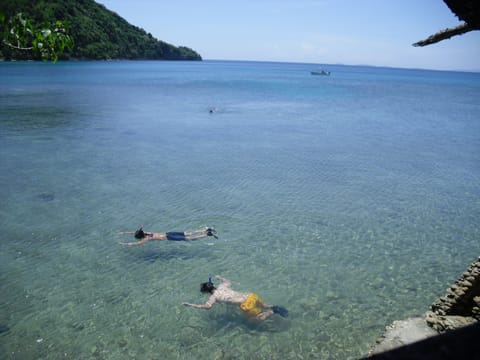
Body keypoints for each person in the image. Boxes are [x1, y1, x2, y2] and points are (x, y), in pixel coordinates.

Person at [182, 275, 288, 320]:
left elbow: (207, 306)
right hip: (251, 296)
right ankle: (272, 307)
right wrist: (220, 277)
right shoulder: (222, 286)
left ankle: (272, 311)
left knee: (255, 319)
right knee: (264, 305)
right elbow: (228, 281)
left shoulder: (214, 297)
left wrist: (192, 305)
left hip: (246, 305)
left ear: (206, 292)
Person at [119, 225, 217, 246]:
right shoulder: (147, 233)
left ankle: (207, 235)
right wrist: (125, 233)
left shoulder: (147, 238)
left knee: (188, 239)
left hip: (169, 237)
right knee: (187, 233)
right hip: (168, 233)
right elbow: (136, 232)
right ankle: (204, 229)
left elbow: (136, 244)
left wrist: (125, 244)